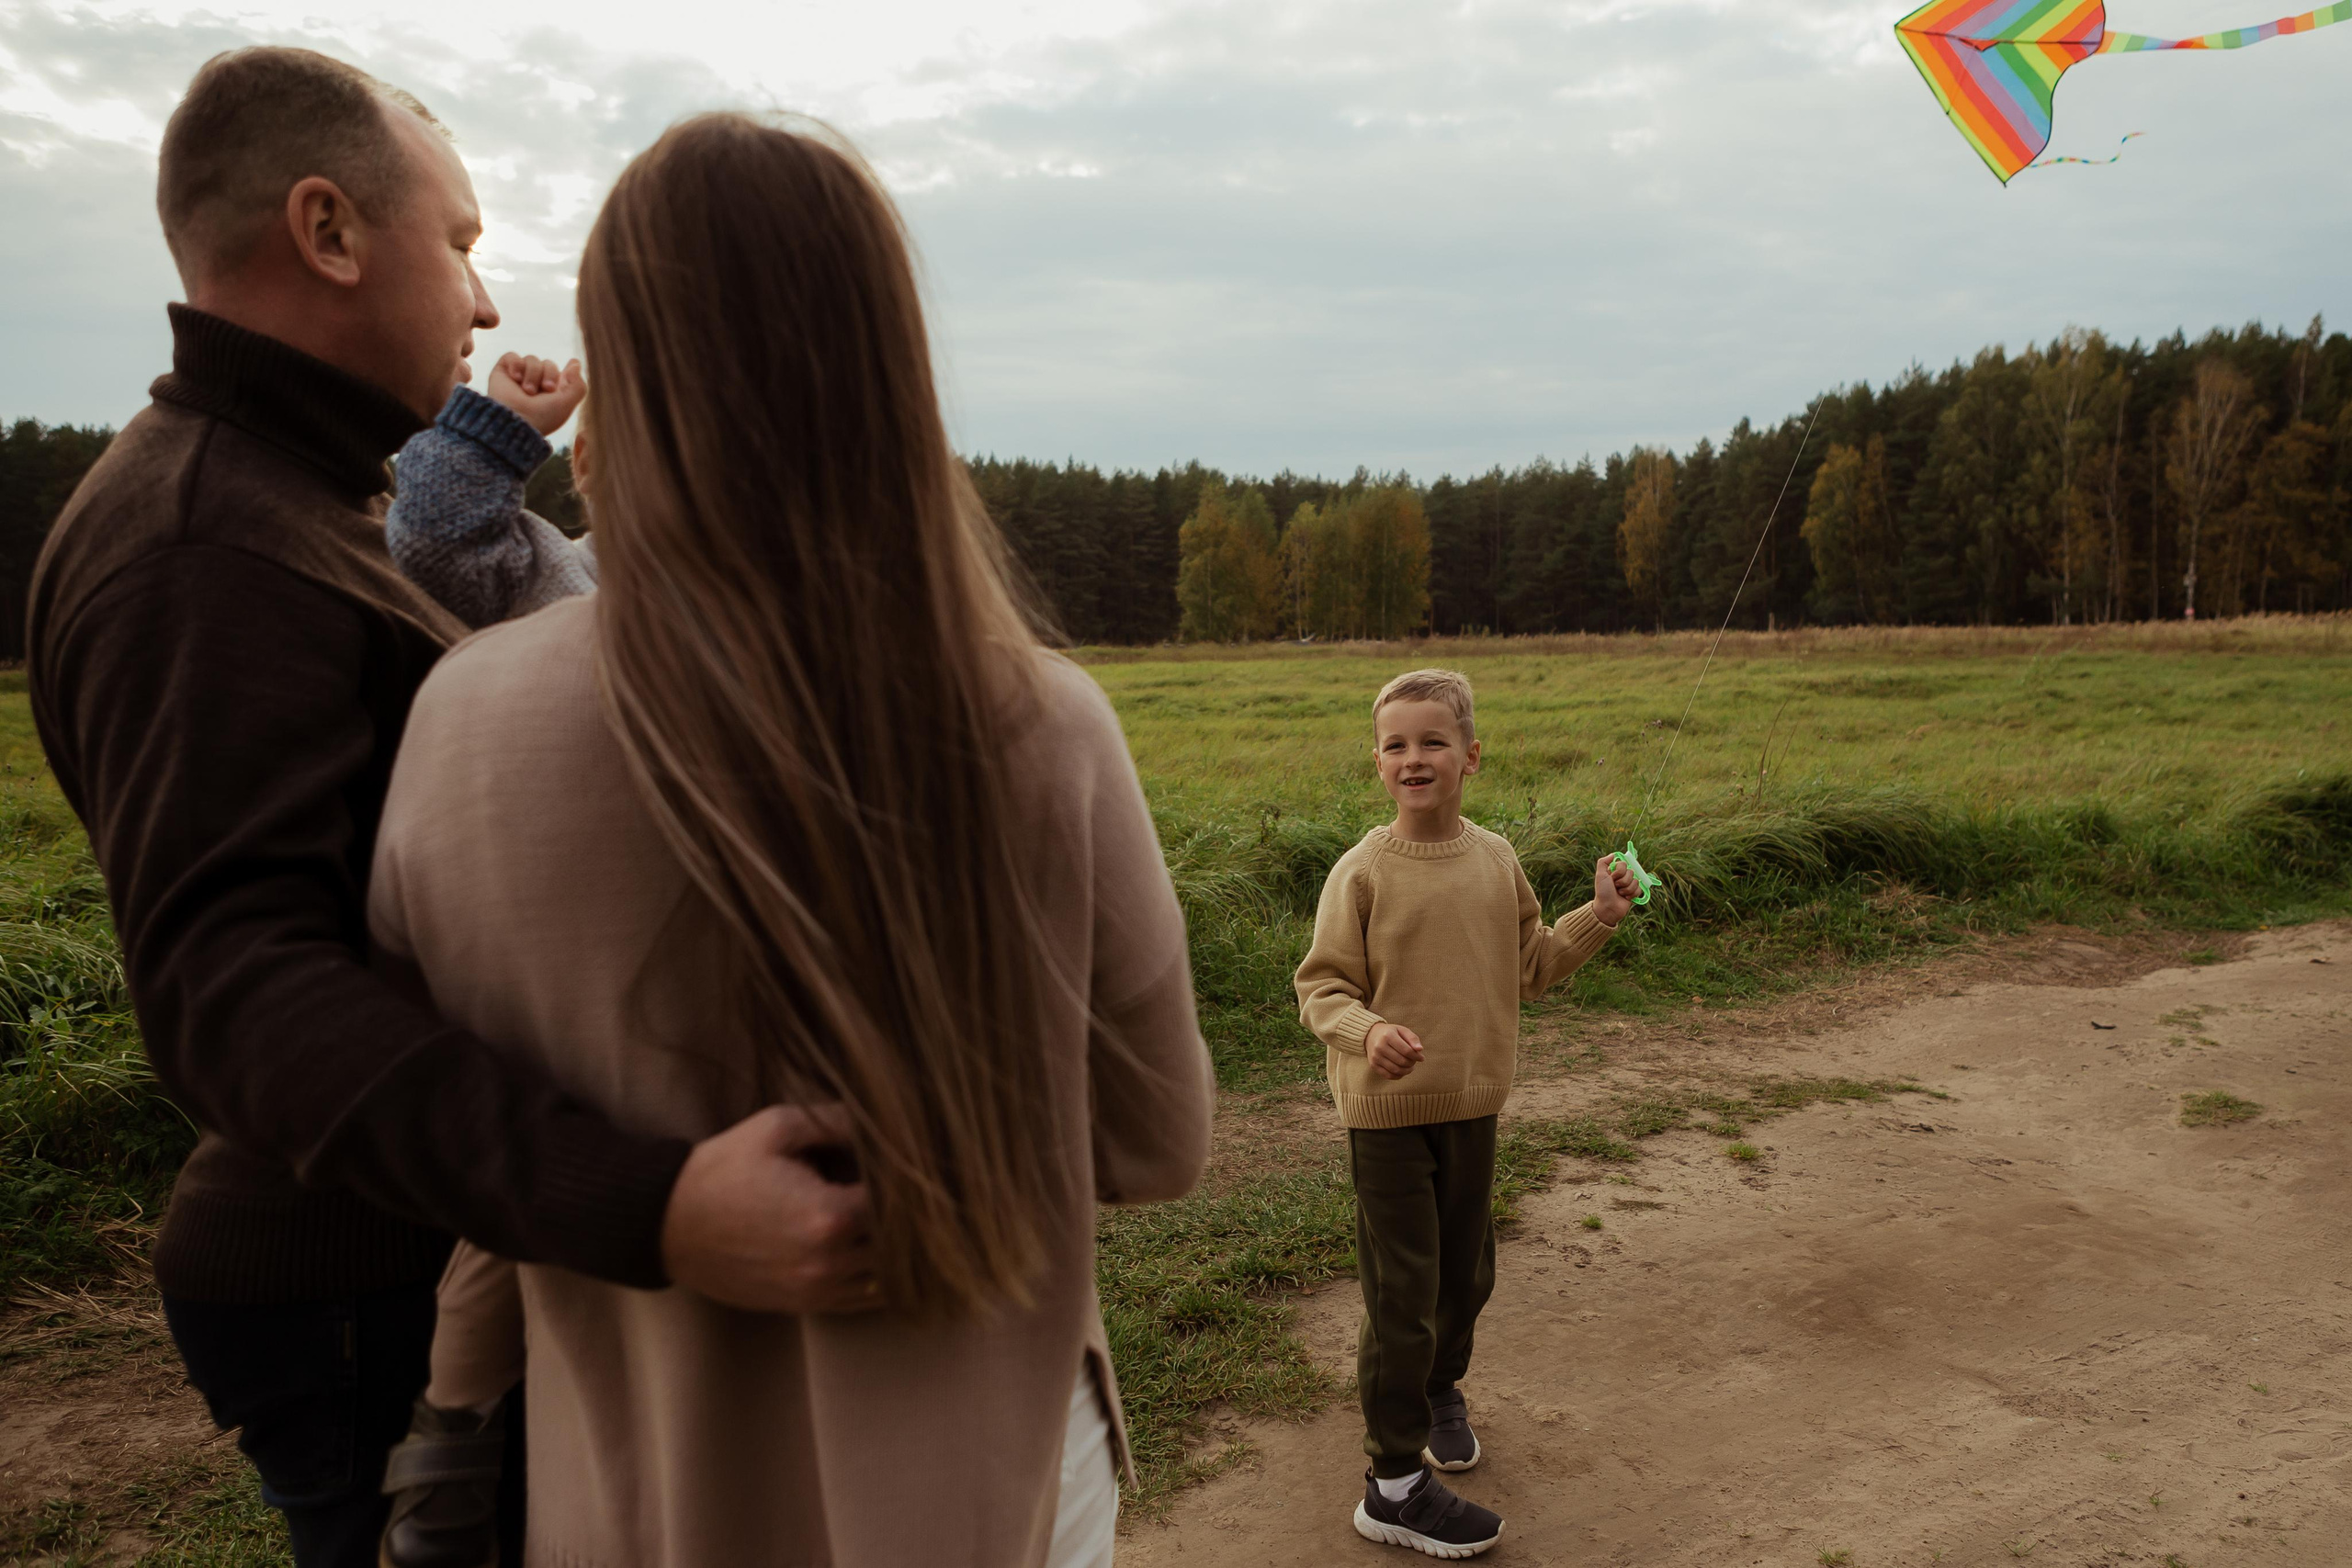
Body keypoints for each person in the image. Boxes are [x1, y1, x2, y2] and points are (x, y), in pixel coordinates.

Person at [27, 50, 883, 1567]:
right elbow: (239, 995)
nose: (486, 305)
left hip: (415, 1250)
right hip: (358, 1279)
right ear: (330, 229)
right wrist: (653, 1200)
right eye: (467, 244)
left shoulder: (295, 498)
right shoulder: (199, 546)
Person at [365, 109, 1215, 1568]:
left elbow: (452, 1127)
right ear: (890, 370)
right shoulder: (1040, 722)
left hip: (640, 1491)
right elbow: (1154, 1138)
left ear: (627, 381)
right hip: (995, 1490)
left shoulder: (461, 723)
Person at [1295, 669, 1637, 1559]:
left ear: (1470, 757)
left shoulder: (1495, 860)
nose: (1415, 758)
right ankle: (1394, 1482)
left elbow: (1530, 962)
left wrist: (1595, 918)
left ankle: (1440, 1389)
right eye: (1396, 745)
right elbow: (1320, 987)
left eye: (1433, 742)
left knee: (1465, 1276)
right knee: (1401, 1293)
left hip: (1472, 1105)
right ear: (1376, 762)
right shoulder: (1362, 871)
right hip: (1384, 1115)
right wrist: (1366, 1032)